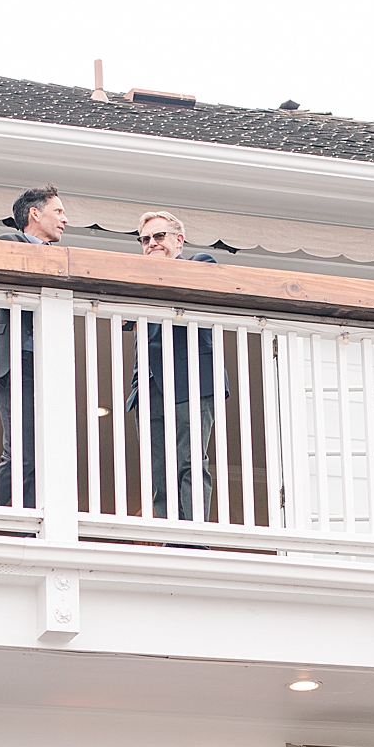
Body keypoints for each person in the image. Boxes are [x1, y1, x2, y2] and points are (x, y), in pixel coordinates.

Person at [0, 186, 68, 508]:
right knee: (22, 456)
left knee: (40, 456)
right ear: (35, 214)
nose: (64, 220)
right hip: (18, 361)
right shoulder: (11, 243)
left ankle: (31, 531)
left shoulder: (58, 256)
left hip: (45, 365)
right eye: (58, 211)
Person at [125, 211, 222, 521]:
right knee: (159, 471)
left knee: (190, 462)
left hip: (188, 380)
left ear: (179, 240)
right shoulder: (138, 280)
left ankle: (194, 538)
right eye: (145, 239)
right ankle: (171, 536)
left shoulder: (199, 263)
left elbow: (195, 286)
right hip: (149, 386)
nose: (151, 243)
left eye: (159, 236)